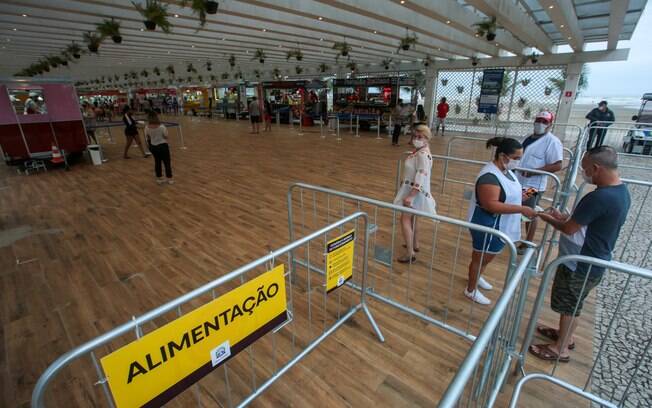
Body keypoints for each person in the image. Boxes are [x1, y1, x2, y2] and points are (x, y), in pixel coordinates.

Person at [530, 146, 630, 362]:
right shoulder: (620, 191)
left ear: (596, 168)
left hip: (579, 264)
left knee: (569, 305)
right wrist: (565, 217)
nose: (584, 173)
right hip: (592, 260)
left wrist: (542, 215)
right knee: (574, 304)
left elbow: (569, 229)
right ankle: (565, 336)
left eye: (585, 168)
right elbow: (582, 223)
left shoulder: (599, 197)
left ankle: (560, 348)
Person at [466, 137, 537, 305]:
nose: (518, 162)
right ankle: (470, 289)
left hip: (500, 224)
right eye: (516, 158)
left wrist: (532, 193)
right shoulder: (489, 177)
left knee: (486, 258)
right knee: (481, 258)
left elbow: (510, 193)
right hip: (488, 225)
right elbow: (491, 204)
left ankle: (477, 276)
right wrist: (522, 209)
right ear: (504, 156)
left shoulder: (507, 171)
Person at [517, 111, 563, 251]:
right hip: (518, 181)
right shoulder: (527, 138)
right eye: (538, 120)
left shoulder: (552, 142)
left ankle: (527, 243)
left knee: (529, 212)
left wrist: (534, 172)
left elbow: (557, 164)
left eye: (544, 121)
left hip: (533, 186)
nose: (540, 124)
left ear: (550, 124)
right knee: (517, 209)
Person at [393, 124, 437, 263]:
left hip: (414, 191)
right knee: (413, 218)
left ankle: (410, 253)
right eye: (415, 136)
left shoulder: (422, 154)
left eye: (420, 137)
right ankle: (414, 243)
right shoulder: (420, 151)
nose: (416, 139)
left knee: (405, 219)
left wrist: (411, 195)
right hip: (413, 189)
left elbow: (421, 174)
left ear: (426, 138)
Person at [144, 112, 173, 185]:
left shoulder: (147, 127)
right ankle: (169, 179)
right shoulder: (162, 127)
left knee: (157, 162)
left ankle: (159, 179)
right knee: (167, 162)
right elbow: (166, 136)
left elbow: (147, 137)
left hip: (153, 147)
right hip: (163, 146)